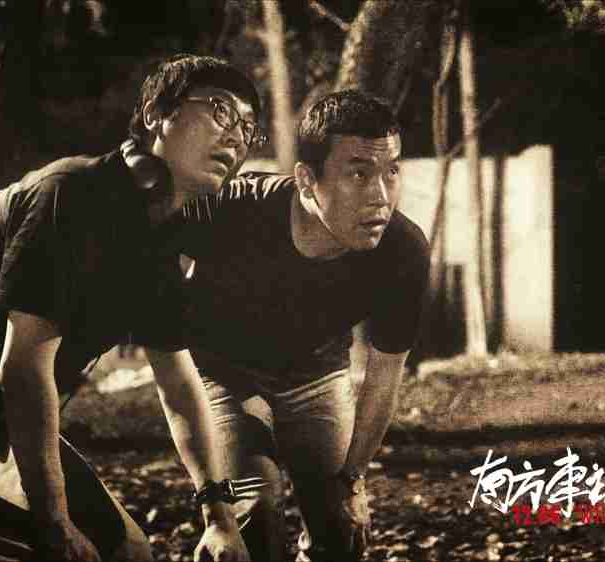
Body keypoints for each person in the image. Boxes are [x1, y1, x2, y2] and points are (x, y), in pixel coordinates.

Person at [0, 54, 264, 562]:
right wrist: (53, 521)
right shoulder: (72, 193)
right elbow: (22, 369)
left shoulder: (161, 242)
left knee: (128, 552)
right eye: (220, 110)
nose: (236, 136)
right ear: (155, 114)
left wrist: (218, 516)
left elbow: (178, 382)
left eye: (248, 127)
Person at [174, 90, 430, 561]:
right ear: (307, 180)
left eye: (391, 171)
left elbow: (385, 374)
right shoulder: (232, 208)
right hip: (224, 375)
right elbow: (150, 250)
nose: (381, 195)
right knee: (255, 509)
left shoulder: (403, 249)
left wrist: (354, 480)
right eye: (359, 173)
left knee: (341, 530)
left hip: (316, 375)